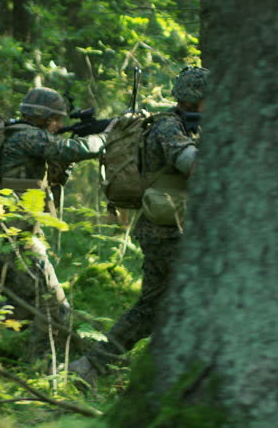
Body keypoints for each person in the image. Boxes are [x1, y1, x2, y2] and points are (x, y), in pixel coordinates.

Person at [0, 86, 109, 354]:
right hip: (14, 236)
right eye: (57, 119)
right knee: (53, 305)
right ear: (43, 117)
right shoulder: (26, 137)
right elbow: (73, 149)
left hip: (7, 231)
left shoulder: (18, 135)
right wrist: (106, 137)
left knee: (26, 307)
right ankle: (42, 368)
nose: (60, 124)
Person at [69, 66, 208, 386]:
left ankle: (90, 366)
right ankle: (179, 376)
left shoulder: (187, 127)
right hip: (167, 232)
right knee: (198, 298)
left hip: (172, 228)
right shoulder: (168, 128)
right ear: (194, 100)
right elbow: (194, 166)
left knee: (152, 308)